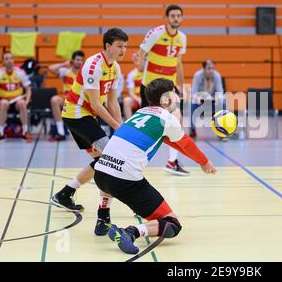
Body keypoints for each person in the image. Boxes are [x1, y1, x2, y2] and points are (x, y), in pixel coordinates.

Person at [93, 78, 217, 254]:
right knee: (172, 224)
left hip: (100, 175)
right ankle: (130, 233)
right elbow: (186, 143)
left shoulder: (140, 113)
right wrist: (204, 162)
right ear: (166, 99)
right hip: (125, 183)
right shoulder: (168, 119)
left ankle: (103, 218)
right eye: (175, 93)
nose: (178, 96)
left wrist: (201, 161)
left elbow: (170, 141)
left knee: (111, 166)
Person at [50, 28, 127, 237]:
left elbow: (112, 102)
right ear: (107, 46)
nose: (123, 50)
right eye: (119, 46)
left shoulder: (116, 68)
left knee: (103, 162)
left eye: (125, 46)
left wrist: (120, 126)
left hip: (86, 116)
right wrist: (118, 129)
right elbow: (96, 104)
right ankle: (103, 216)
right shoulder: (93, 65)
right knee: (111, 159)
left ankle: (65, 193)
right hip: (77, 114)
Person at [132, 4, 189, 176]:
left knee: (176, 120)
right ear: (166, 18)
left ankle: (172, 162)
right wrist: (141, 67)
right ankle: (134, 160)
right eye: (173, 15)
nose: (176, 18)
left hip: (169, 87)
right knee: (146, 124)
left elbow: (178, 62)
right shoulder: (155, 33)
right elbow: (140, 54)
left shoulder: (182, 38)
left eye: (179, 15)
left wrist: (183, 85)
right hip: (150, 86)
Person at [0, 52, 32, 143]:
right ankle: (0, 133)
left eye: (11, 58)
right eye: (6, 59)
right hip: (4, 100)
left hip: (17, 100)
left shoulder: (20, 72)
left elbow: (28, 89)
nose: (9, 61)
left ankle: (25, 132)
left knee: (22, 103)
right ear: (3, 61)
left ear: (13, 60)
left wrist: (27, 101)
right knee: (4, 103)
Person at [46, 50, 85, 141]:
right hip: (67, 100)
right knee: (54, 100)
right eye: (77, 60)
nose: (79, 62)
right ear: (72, 61)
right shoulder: (65, 71)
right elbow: (51, 68)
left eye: (81, 60)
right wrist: (64, 63)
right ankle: (61, 132)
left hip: (80, 101)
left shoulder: (84, 73)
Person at [189, 60, 226, 140]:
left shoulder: (217, 75)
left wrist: (217, 98)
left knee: (222, 103)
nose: (211, 70)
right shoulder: (198, 75)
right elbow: (194, 92)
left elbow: (220, 91)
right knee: (190, 104)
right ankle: (192, 130)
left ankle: (221, 131)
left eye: (213, 68)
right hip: (200, 101)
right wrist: (198, 99)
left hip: (212, 102)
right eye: (209, 68)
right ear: (204, 68)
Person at [123, 55, 143, 119]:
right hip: (136, 98)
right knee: (127, 100)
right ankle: (128, 124)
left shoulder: (149, 73)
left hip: (149, 98)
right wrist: (138, 99)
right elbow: (131, 93)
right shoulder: (132, 74)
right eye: (143, 61)